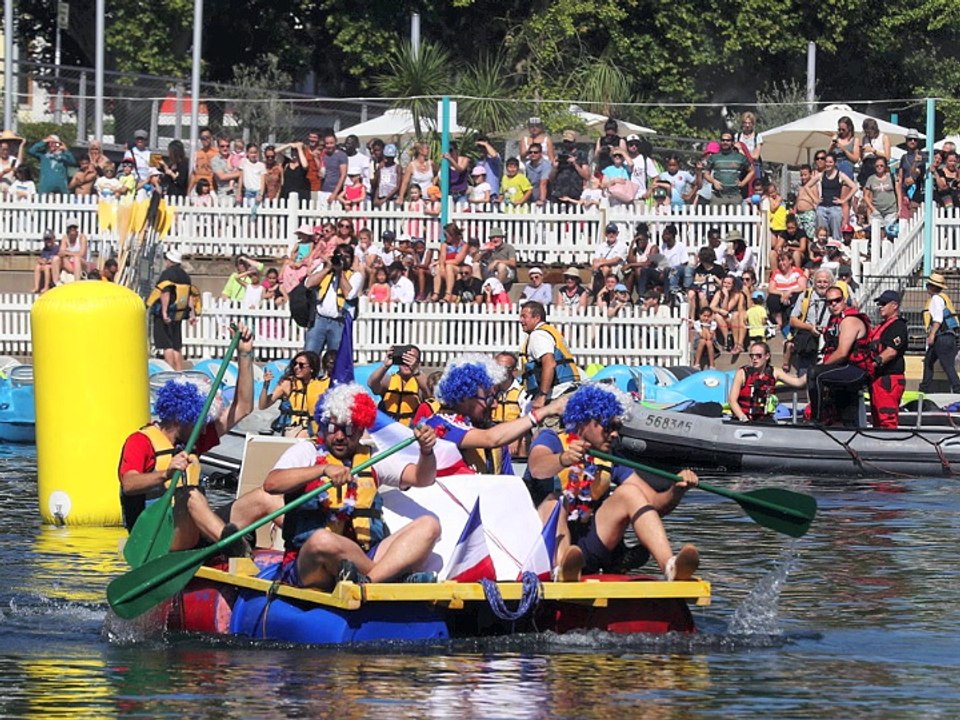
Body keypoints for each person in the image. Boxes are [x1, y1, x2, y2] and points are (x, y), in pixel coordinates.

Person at [119, 326, 280, 553]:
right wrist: (165, 474)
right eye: (201, 421)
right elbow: (129, 484)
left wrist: (245, 354)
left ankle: (300, 547)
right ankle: (234, 549)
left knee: (265, 498)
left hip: (193, 530)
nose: (206, 428)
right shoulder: (140, 441)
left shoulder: (193, 439)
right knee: (189, 494)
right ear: (182, 418)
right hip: (156, 537)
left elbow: (243, 407)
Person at [264, 384, 441, 589]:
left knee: (430, 525)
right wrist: (322, 470)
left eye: (348, 429)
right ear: (323, 427)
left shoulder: (372, 458)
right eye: (332, 428)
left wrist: (426, 451)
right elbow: (272, 484)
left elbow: (423, 478)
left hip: (364, 558)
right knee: (322, 540)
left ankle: (368, 583)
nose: (339, 436)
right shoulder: (307, 451)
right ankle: (391, 578)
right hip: (313, 561)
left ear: (360, 429)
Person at [523, 384, 700, 582]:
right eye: (608, 426)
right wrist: (563, 459)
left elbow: (654, 505)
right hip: (546, 546)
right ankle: (563, 569)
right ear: (584, 420)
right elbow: (537, 467)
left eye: (617, 428)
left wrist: (676, 491)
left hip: (588, 546)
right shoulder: (551, 439)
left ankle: (670, 566)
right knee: (554, 502)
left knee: (630, 493)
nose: (614, 434)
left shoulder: (610, 457)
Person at [422, 354, 567, 475]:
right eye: (489, 398)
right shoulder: (439, 424)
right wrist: (546, 410)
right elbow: (490, 438)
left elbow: (507, 483)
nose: (495, 405)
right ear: (465, 398)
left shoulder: (493, 433)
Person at [806, 285, 872, 426]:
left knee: (815, 374)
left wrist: (821, 368)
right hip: (842, 368)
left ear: (844, 300)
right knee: (844, 411)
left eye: (837, 300)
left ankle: (816, 419)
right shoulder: (834, 320)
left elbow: (842, 353)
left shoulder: (849, 320)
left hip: (856, 369)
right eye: (830, 302)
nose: (834, 304)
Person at [519, 301, 582, 410]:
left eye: (524, 317)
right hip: (567, 391)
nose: (521, 320)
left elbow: (549, 363)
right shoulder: (549, 331)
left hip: (556, 395)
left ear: (537, 318)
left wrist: (542, 395)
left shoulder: (538, 335)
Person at [146, 249, 201, 371]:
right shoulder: (185, 276)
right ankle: (179, 371)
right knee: (176, 345)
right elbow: (189, 296)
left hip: (166, 315)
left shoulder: (167, 275)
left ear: (170, 261)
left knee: (167, 345)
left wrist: (164, 313)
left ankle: (170, 371)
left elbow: (165, 293)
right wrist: (192, 314)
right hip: (178, 314)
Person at [303, 243, 362, 356]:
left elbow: (349, 294)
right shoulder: (324, 268)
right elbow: (308, 284)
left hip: (339, 322)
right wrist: (327, 268)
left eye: (346, 257)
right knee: (310, 355)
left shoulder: (356, 275)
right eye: (340, 255)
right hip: (319, 319)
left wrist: (340, 272)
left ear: (352, 259)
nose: (342, 259)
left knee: (335, 359)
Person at [729, 342, 805, 422]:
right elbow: (732, 400)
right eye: (752, 356)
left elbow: (798, 382)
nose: (754, 358)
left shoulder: (775, 372)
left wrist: (810, 373)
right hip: (743, 419)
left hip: (765, 419)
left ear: (767, 356)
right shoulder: (742, 373)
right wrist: (743, 417)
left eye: (758, 355)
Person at [260, 351, 326, 437]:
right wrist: (266, 385)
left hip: (311, 426)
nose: (296, 367)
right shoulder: (287, 384)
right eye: (295, 364)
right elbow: (263, 405)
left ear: (311, 368)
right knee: (303, 435)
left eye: (301, 365)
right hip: (290, 427)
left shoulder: (318, 385)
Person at [869, 290, 909, 428]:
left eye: (884, 303)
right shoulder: (881, 326)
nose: (880, 306)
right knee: (877, 419)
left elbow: (891, 351)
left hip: (889, 379)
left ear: (894, 305)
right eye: (879, 304)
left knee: (887, 418)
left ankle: (888, 440)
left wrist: (872, 364)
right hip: (878, 378)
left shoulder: (898, 326)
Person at [919, 273, 960, 394]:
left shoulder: (936, 299)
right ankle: (924, 389)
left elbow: (938, 319)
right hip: (947, 337)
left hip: (942, 337)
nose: (927, 287)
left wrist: (931, 335)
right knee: (929, 361)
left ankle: (958, 389)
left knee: (947, 365)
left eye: (928, 285)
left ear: (932, 287)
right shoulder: (942, 298)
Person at [367, 345, 428, 426]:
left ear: (418, 363)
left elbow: (430, 394)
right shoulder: (389, 380)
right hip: (388, 428)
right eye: (404, 358)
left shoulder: (421, 384)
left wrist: (416, 370)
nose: (406, 363)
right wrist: (385, 366)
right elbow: (372, 384)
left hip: (409, 429)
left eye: (410, 358)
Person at [51, 217, 88, 283]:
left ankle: (76, 283)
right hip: (69, 264)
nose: (72, 229)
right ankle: (56, 283)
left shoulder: (82, 237)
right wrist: (68, 253)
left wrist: (67, 253)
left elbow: (81, 254)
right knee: (55, 259)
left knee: (76, 258)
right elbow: (61, 253)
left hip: (81, 264)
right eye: (71, 227)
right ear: (68, 229)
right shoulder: (65, 238)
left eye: (74, 227)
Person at [32, 229, 58, 294]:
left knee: (46, 267)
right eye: (46, 239)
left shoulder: (57, 248)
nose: (48, 241)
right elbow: (42, 258)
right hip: (46, 265)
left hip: (54, 267)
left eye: (49, 239)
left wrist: (47, 262)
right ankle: (36, 287)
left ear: (54, 239)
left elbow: (57, 260)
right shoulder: (45, 249)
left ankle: (46, 287)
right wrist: (41, 260)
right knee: (37, 267)